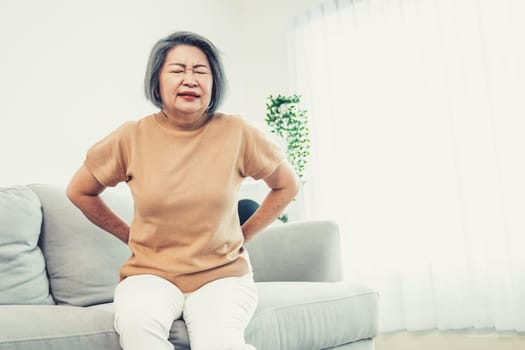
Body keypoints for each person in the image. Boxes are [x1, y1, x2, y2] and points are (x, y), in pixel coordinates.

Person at [66, 31, 299, 350]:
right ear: (158, 81)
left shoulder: (237, 133)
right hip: (150, 275)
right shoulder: (131, 137)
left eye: (200, 71)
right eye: (177, 70)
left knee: (221, 343)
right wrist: (128, 234)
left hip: (222, 276)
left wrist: (244, 235)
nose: (189, 79)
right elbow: (79, 191)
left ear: (213, 83)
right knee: (138, 329)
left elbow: (287, 185)